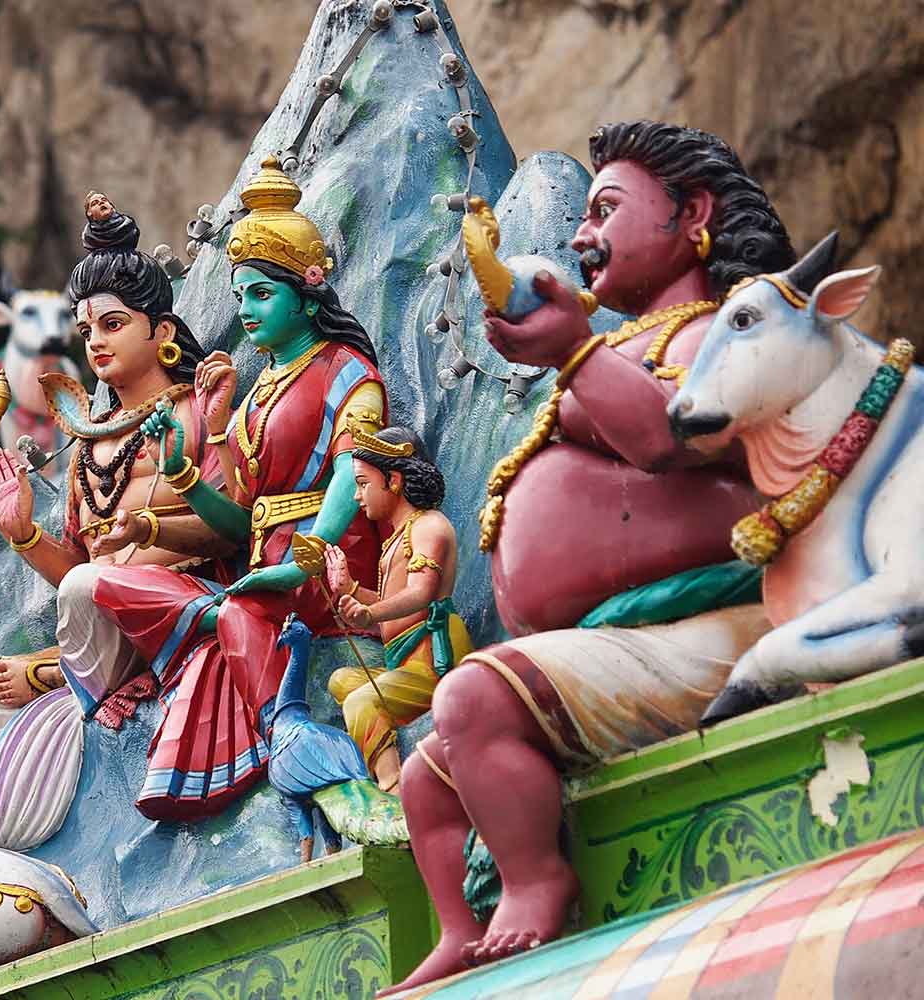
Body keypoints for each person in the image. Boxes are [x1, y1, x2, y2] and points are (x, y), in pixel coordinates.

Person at [388, 121, 797, 990]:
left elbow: (665, 439)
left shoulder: (729, 330)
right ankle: (459, 928)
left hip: (712, 623)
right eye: (582, 216)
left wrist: (574, 351)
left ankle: (537, 884)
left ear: (692, 216)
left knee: (471, 699)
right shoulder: (618, 344)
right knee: (426, 782)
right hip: (611, 644)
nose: (581, 236)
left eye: (606, 210)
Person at [0, 194, 233, 850]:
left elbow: (235, 529)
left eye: (113, 324)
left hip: (180, 611)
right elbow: (79, 570)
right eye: (86, 328)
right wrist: (19, 531)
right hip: (95, 628)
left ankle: (55, 674)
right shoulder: (88, 445)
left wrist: (149, 533)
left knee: (84, 592)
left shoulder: (193, 414)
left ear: (163, 334)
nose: (94, 342)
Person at [90, 155, 388, 821]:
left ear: (306, 293)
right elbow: (238, 520)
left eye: (261, 294)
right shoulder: (258, 395)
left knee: (236, 612)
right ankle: (247, 673)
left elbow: (352, 468)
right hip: (264, 561)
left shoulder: (347, 371)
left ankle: (286, 733)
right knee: (108, 583)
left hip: (332, 558)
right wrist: (184, 473)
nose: (247, 312)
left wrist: (305, 560)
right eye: (239, 297)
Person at [322, 420, 470, 794]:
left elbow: (421, 593)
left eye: (362, 483)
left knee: (361, 703)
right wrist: (351, 591)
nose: (357, 496)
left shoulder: (428, 526)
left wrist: (368, 613)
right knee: (341, 680)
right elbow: (392, 604)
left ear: (394, 481)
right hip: (401, 659)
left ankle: (395, 792)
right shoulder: (396, 540)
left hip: (431, 660)